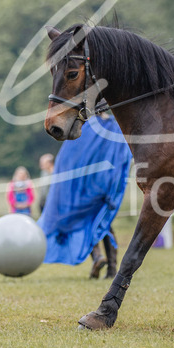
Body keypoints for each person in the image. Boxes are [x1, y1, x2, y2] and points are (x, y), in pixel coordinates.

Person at [39, 112, 132, 279]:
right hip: (104, 187)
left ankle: (97, 256)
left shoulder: (85, 128)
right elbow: (121, 159)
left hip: (86, 190)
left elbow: (67, 162)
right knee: (104, 224)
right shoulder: (113, 128)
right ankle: (111, 268)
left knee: (87, 222)